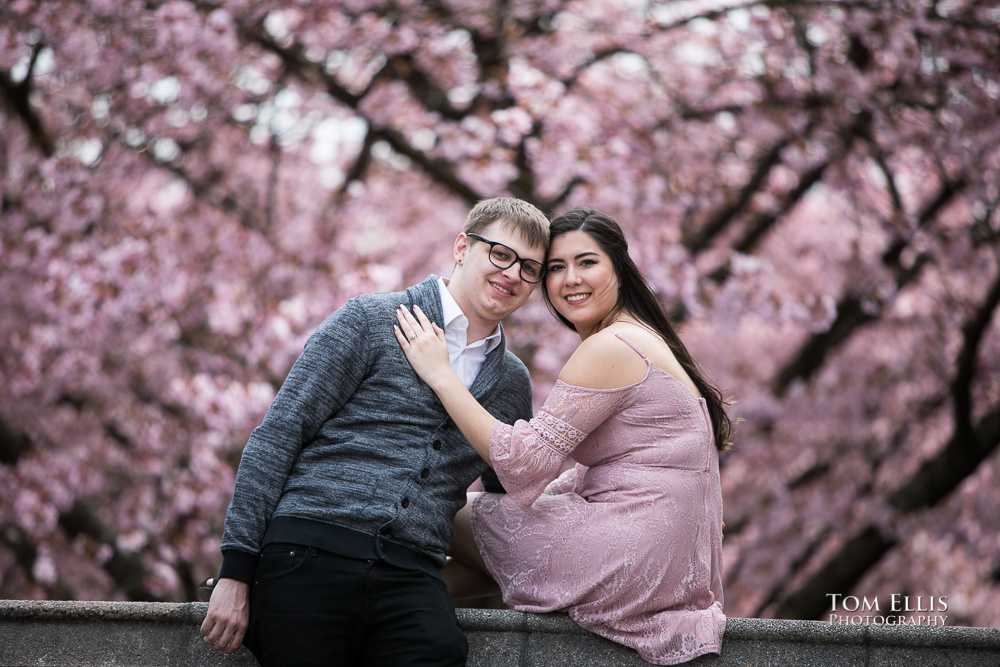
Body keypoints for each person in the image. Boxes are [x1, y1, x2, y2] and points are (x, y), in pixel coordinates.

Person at [200, 196, 550, 667]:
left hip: (412, 575)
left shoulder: (510, 382)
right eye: (501, 254)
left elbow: (504, 500)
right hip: (309, 549)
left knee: (441, 651)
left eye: (530, 268)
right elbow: (279, 434)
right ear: (463, 247)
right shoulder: (369, 320)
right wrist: (237, 571)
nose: (512, 274)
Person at [394, 207, 732, 666]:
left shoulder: (612, 346)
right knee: (478, 569)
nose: (570, 278)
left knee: (436, 506)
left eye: (587, 262)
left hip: (630, 554)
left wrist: (442, 375)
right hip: (670, 563)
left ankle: (372, 596)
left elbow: (521, 466)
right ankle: (389, 607)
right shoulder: (644, 337)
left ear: (620, 266)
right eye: (555, 268)